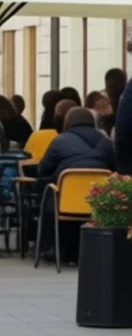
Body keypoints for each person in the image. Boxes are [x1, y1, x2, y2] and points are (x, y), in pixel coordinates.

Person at [36, 107, 115, 264]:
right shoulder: (106, 142)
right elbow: (115, 168)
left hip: (65, 203)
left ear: (68, 122)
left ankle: (53, 248)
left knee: (47, 188)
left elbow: (42, 169)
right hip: (97, 202)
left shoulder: (60, 140)